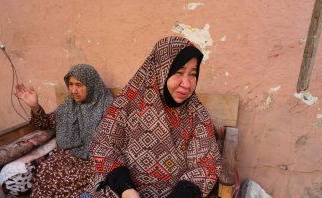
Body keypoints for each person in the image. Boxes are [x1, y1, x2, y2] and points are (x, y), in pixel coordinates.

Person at [87, 36, 221, 198]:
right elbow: (103, 147)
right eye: (178, 72)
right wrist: (125, 189)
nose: (186, 84)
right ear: (160, 71)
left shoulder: (197, 114)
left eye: (192, 74)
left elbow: (207, 166)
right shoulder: (127, 104)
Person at [14, 64, 114, 197]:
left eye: (79, 85)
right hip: (69, 155)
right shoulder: (69, 104)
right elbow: (48, 123)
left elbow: (113, 143)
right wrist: (35, 106)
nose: (73, 90)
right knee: (45, 169)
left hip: (93, 162)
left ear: (91, 85)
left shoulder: (107, 106)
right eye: (71, 84)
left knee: (64, 181)